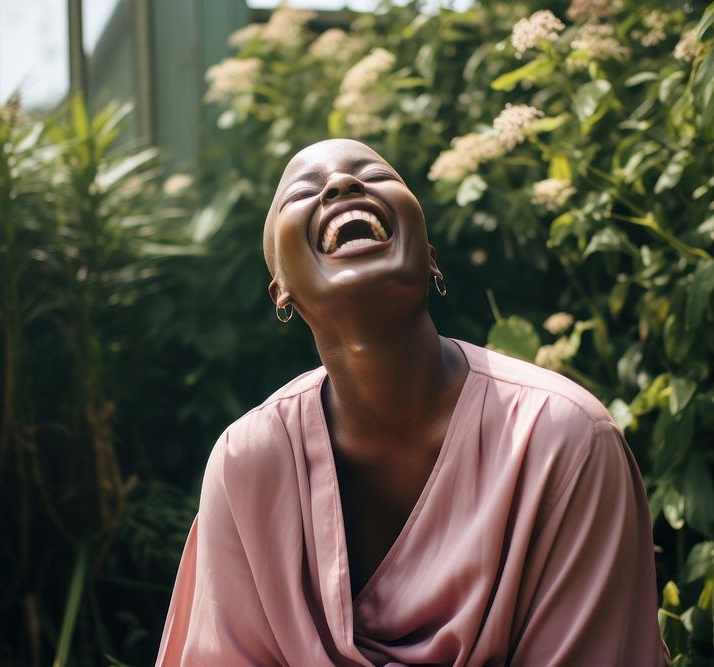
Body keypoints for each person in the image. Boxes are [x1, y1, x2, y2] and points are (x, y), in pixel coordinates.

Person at [156, 139, 669, 666]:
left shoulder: (563, 439)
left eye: (372, 174)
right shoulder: (248, 464)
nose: (341, 185)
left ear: (429, 257)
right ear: (281, 290)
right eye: (305, 191)